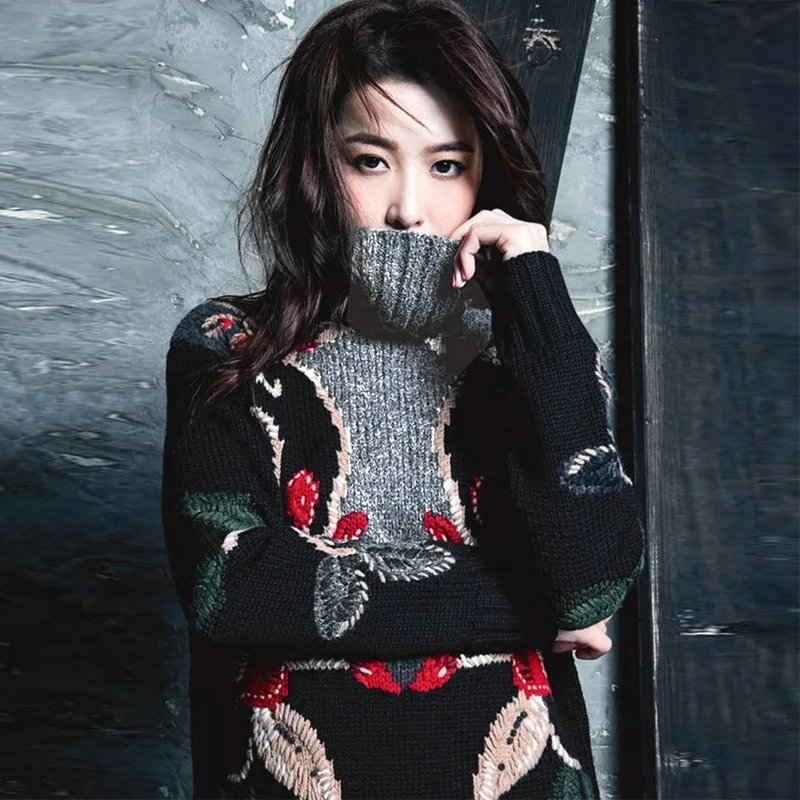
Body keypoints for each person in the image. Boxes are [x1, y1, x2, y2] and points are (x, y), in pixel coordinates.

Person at [160, 1, 646, 797]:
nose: (408, 208)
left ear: (487, 177)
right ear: (314, 165)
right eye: (370, 160)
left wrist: (536, 291)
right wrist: (532, 608)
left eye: (447, 165)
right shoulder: (229, 346)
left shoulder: (527, 355)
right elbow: (233, 588)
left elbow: (592, 581)